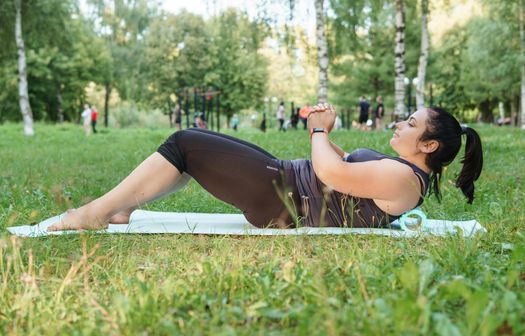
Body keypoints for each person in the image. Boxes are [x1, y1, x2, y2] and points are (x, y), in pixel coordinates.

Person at [48, 105, 483, 231]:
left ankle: (94, 214)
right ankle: (121, 207)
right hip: (284, 183)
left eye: (410, 124)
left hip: (282, 199)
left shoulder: (404, 179)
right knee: (191, 148)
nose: (398, 124)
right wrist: (325, 132)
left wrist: (316, 133)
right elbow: (342, 168)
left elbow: (331, 175)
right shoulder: (400, 170)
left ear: (428, 144)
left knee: (184, 143)